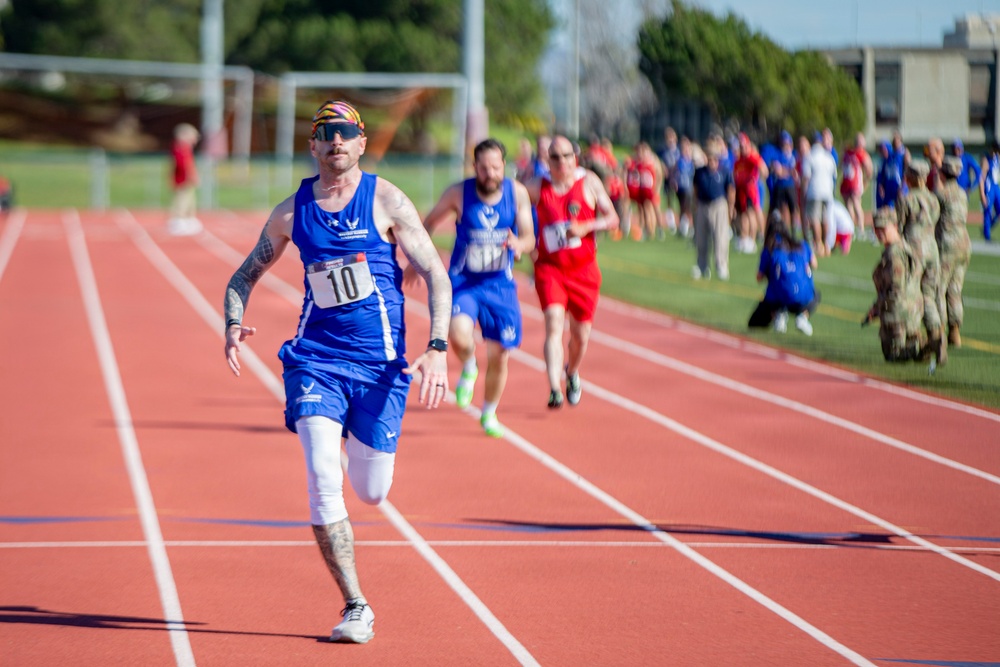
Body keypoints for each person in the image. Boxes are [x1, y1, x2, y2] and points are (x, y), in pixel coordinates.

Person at [222, 100, 452, 644]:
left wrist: (438, 345)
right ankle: (356, 605)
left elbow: (436, 276)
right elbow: (242, 276)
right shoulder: (291, 211)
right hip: (316, 361)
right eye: (325, 134)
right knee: (324, 480)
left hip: (380, 369)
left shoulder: (388, 200)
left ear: (362, 143)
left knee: (371, 491)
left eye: (346, 134)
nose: (336, 142)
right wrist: (233, 321)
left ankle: (356, 434)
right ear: (313, 145)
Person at [405, 138, 535, 438]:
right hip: (464, 281)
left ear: (505, 166)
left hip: (500, 285)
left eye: (496, 167)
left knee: (500, 353)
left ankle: (489, 412)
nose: (490, 174)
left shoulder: (517, 194)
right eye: (484, 168)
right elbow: (429, 222)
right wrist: (416, 259)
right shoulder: (458, 193)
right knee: (458, 334)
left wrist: (520, 244)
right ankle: (468, 365)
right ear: (474, 167)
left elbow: (529, 236)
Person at [527, 134, 619, 408]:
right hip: (550, 268)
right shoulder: (537, 186)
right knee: (553, 323)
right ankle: (554, 388)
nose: (561, 162)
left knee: (580, 336)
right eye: (555, 157)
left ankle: (572, 372)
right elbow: (513, 203)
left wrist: (585, 227)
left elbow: (613, 218)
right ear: (547, 160)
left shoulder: (588, 181)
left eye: (566, 156)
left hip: (584, 271)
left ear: (574, 157)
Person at [865, 207, 931, 368]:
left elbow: (895, 290)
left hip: (900, 312)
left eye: (883, 228)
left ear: (895, 226)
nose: (879, 232)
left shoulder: (894, 254)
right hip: (907, 308)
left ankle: (924, 347)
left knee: (893, 355)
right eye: (876, 228)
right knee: (890, 351)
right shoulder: (901, 247)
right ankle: (916, 342)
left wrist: (878, 307)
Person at [898, 159, 945, 365]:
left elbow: (899, 228)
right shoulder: (934, 199)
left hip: (913, 250)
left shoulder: (906, 200)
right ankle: (935, 334)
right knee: (928, 295)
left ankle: (913, 340)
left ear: (911, 178)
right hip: (932, 250)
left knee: (911, 295)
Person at [748, 212, 819, 335]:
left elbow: (759, 277)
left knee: (754, 322)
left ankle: (778, 315)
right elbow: (814, 264)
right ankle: (802, 316)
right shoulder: (801, 245)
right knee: (816, 294)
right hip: (803, 299)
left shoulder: (769, 249)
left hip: (777, 298)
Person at [935, 156, 972, 349]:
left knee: (939, 289)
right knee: (955, 290)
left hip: (947, 245)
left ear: (943, 172)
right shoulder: (963, 193)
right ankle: (955, 332)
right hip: (964, 244)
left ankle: (939, 331)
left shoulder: (941, 194)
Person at [691, 143, 735, 281]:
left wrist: (731, 207)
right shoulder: (700, 172)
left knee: (720, 238)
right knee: (701, 238)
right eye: (710, 158)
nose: (712, 162)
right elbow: (695, 189)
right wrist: (695, 205)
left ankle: (721, 265)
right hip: (703, 205)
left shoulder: (724, 171)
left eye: (714, 159)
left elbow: (731, 190)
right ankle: (702, 266)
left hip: (719, 205)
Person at [801, 132, 838, 256]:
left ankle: (819, 244)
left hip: (814, 191)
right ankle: (826, 244)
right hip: (827, 192)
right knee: (825, 218)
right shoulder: (829, 156)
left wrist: (804, 192)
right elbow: (834, 175)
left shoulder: (809, 156)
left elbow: (806, 177)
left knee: (815, 218)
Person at [732, 132, 768, 254]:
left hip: (751, 191)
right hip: (741, 191)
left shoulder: (752, 157)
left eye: (744, 146)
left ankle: (754, 238)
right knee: (743, 215)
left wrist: (757, 179)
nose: (742, 149)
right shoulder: (739, 160)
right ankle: (744, 237)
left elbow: (763, 169)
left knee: (752, 213)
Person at [167, 122, 203, 236]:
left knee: (189, 199)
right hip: (183, 179)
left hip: (185, 179)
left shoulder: (184, 147)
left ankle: (187, 219)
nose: (195, 140)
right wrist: (193, 176)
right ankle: (179, 221)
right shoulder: (181, 147)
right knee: (182, 200)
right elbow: (184, 165)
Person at [839, 132, 874, 238]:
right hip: (846, 182)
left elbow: (869, 169)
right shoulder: (848, 152)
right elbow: (841, 165)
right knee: (848, 205)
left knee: (856, 204)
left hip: (855, 183)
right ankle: (851, 228)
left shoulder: (862, 154)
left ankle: (861, 228)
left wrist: (865, 181)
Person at [980, 140, 1000, 242]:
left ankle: (986, 229)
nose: (996, 153)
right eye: (995, 150)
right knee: (987, 211)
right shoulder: (986, 160)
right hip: (988, 188)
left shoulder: (997, 158)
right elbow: (981, 178)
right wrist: (982, 194)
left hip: (996, 187)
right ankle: (987, 236)